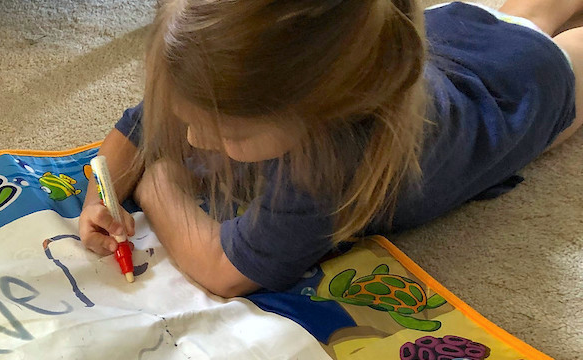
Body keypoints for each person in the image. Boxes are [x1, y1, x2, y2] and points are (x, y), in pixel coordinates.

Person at [79, 0, 582, 298]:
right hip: (458, 28)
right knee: (520, 15)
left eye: (231, 134)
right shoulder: (347, 45)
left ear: (321, 114)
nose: (192, 141)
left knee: (551, 47)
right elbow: (142, 125)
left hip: (518, 93)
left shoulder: (330, 161)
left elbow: (222, 271)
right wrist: (101, 195)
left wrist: (156, 184)